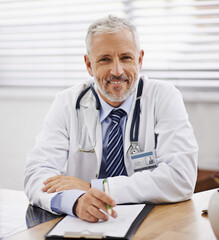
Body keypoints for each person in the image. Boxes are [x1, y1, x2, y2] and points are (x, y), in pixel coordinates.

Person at [24, 15, 198, 223]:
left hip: (153, 222)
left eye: (126, 58)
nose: (117, 71)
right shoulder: (66, 103)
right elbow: (37, 173)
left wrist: (96, 188)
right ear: (89, 64)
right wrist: (76, 201)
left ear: (140, 60)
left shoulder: (164, 97)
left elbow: (181, 178)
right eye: (105, 59)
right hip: (86, 224)